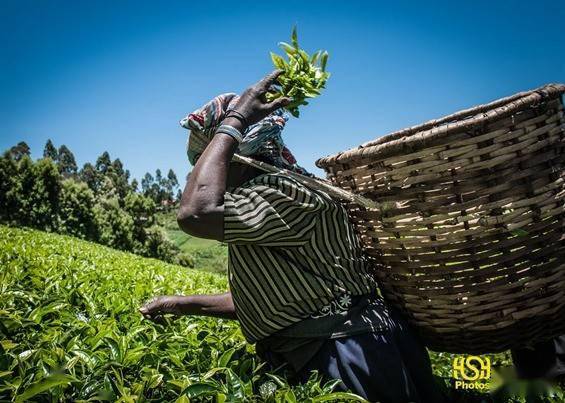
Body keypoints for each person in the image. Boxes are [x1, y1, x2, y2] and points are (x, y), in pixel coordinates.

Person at [140, 70, 446, 402]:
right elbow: (277, 298)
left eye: (209, 163)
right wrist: (180, 305)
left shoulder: (284, 193)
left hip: (348, 354)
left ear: (237, 159)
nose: (201, 176)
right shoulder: (265, 199)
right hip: (330, 348)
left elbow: (193, 213)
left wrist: (235, 120)